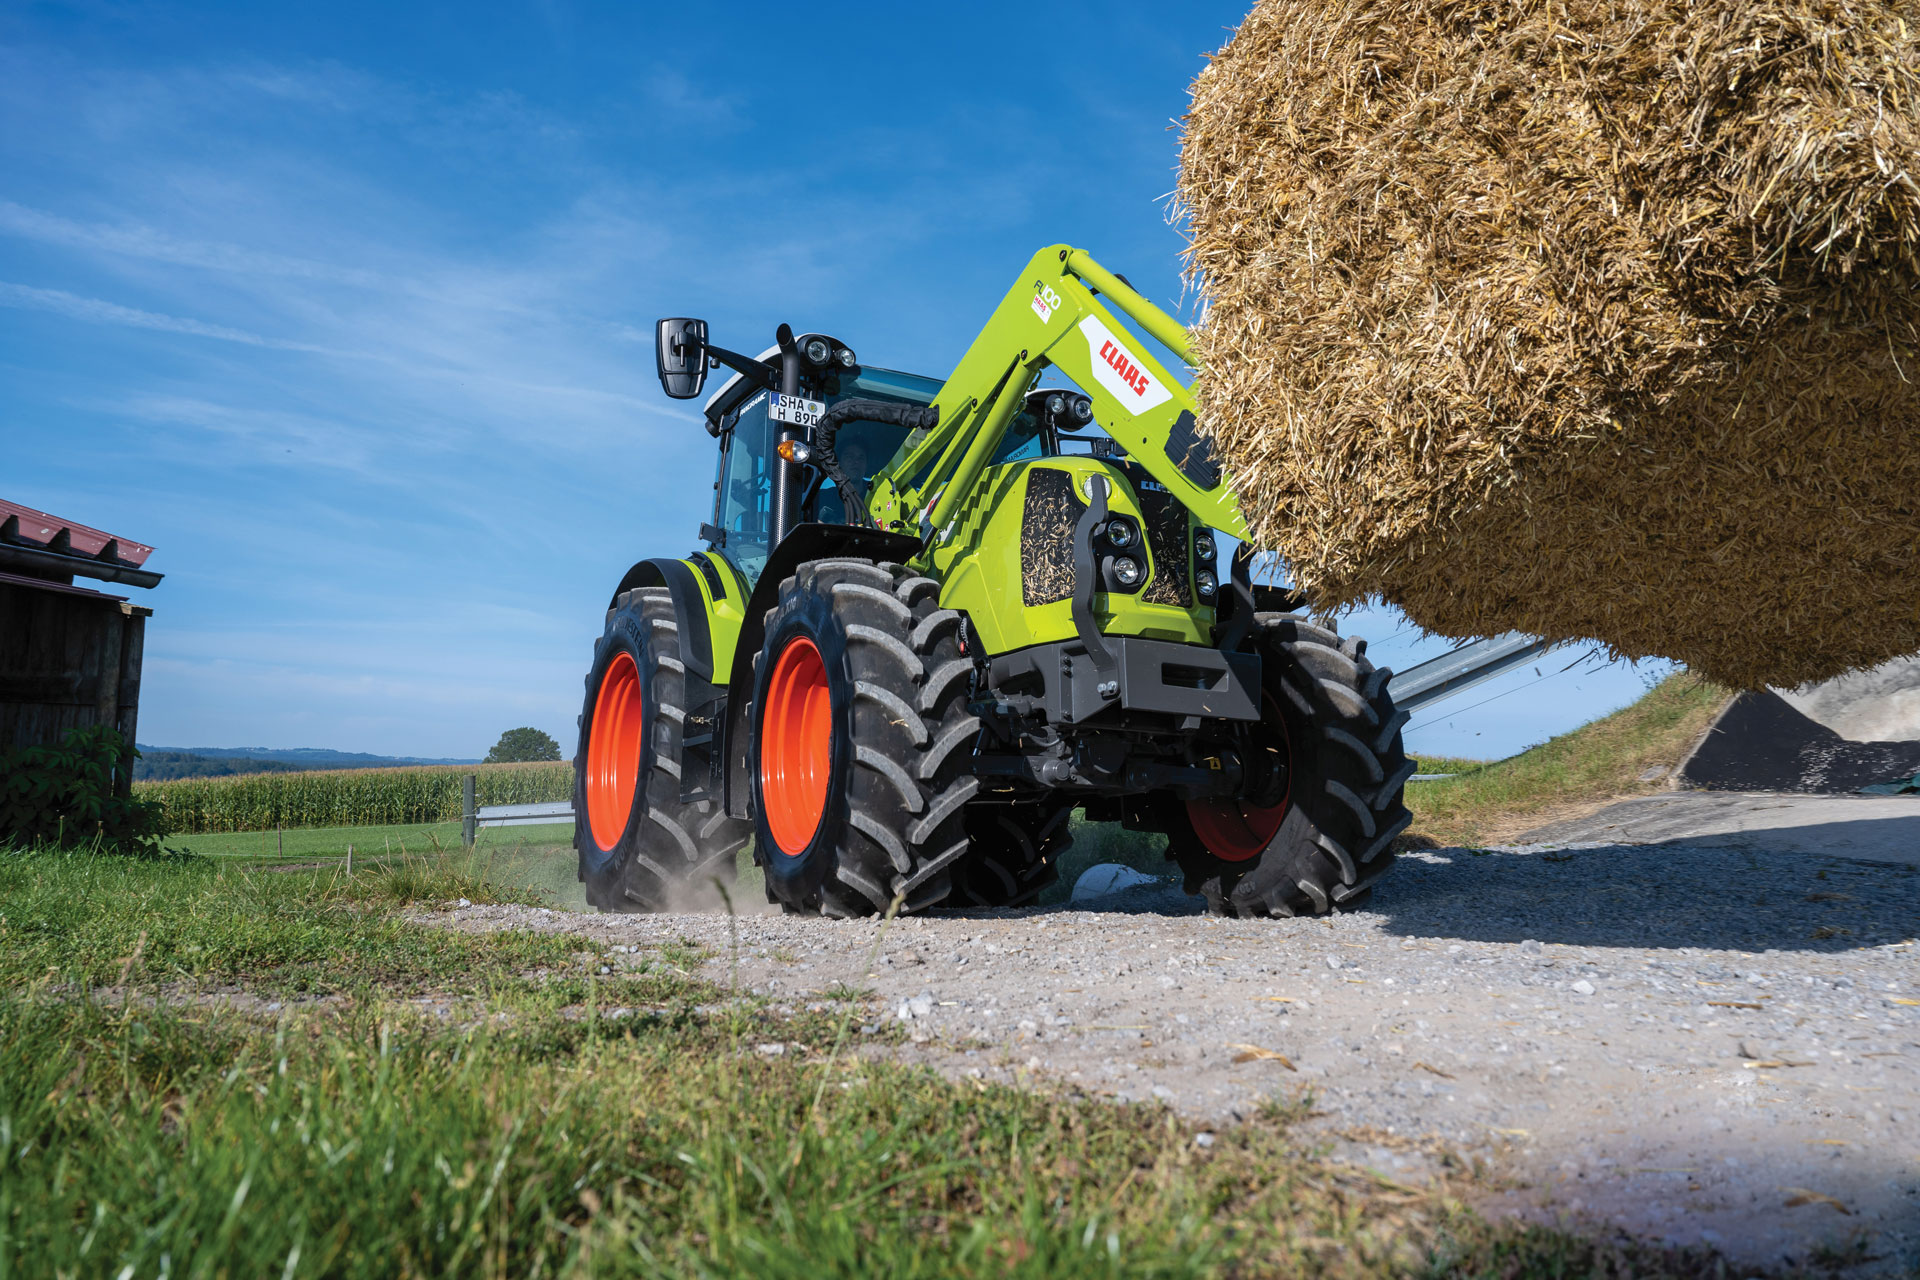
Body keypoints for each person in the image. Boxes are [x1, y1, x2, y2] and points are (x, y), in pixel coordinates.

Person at [817, 437, 870, 525]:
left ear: (866, 464)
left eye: (861, 458)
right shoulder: (822, 498)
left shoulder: (878, 495)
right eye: (849, 457)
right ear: (839, 463)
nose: (856, 461)